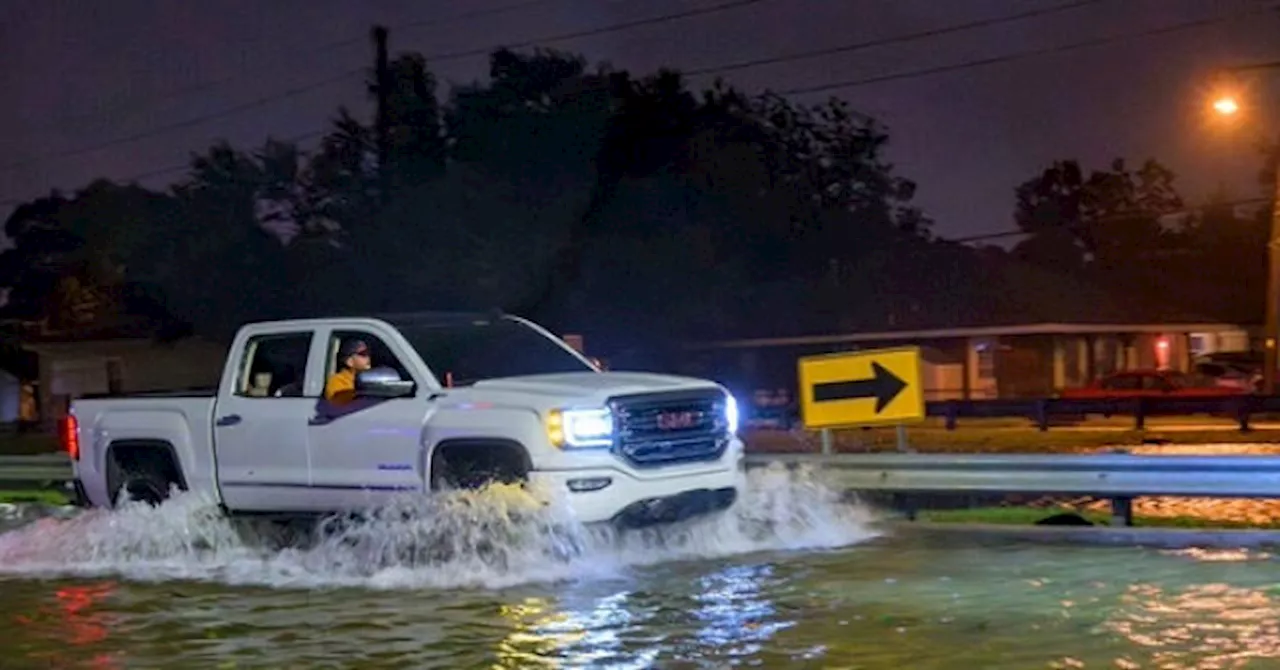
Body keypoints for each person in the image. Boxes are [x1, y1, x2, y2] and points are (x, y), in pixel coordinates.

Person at [324, 339, 372, 405]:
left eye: (368, 353)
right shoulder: (337, 380)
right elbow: (338, 404)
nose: (368, 357)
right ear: (349, 361)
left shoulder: (370, 378)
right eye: (363, 354)